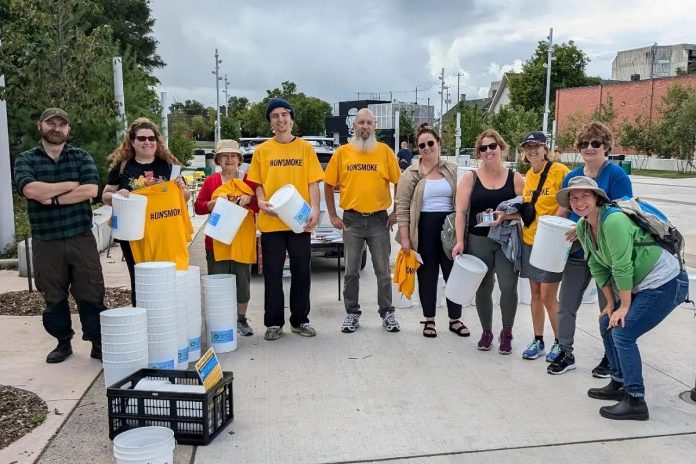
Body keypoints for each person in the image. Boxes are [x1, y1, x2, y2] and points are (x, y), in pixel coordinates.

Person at [556, 177, 687, 420]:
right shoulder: (584, 227)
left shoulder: (613, 221)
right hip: (643, 285)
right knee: (607, 323)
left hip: (666, 282)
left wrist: (624, 306)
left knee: (623, 332)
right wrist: (610, 304)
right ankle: (618, 382)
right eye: (573, 198)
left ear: (597, 198)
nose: (579, 202)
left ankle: (636, 400)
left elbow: (622, 266)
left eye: (585, 196)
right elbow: (597, 266)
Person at [14, 108, 107, 363]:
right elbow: (30, 189)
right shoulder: (26, 159)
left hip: (80, 236)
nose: (56, 128)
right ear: (40, 126)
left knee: (90, 290)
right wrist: (69, 185)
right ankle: (62, 342)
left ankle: (97, 342)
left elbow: (90, 189)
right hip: (46, 239)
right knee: (53, 295)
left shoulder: (81, 157)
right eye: (50, 123)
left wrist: (52, 198)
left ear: (68, 129)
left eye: (61, 124)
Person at [548, 122, 633, 376]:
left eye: (595, 143)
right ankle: (565, 351)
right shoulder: (572, 176)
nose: (590, 148)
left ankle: (611, 355)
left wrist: (584, 225)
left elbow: (624, 210)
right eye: (584, 144)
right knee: (566, 303)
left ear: (606, 146)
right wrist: (549, 230)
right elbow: (563, 210)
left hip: (606, 253)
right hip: (577, 251)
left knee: (609, 305)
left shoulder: (616, 175)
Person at [247, 98, 324, 341]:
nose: (280, 119)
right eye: (275, 116)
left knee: (302, 272)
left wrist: (314, 209)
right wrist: (260, 202)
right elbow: (257, 183)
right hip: (272, 222)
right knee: (272, 273)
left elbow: (313, 182)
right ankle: (273, 323)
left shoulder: (305, 149)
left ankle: (300, 320)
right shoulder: (262, 151)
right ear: (270, 122)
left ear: (291, 118)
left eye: (284, 115)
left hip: (299, 221)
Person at [325, 108, 401, 334]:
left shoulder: (385, 152)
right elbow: (328, 184)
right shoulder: (342, 153)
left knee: (382, 271)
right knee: (351, 271)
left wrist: (396, 211)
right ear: (354, 126)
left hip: (379, 220)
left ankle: (387, 312)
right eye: (361, 123)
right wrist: (332, 215)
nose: (365, 127)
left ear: (374, 125)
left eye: (368, 123)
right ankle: (352, 313)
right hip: (352, 220)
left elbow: (400, 182)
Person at [102, 117, 191, 306]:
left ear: (157, 141)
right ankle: (143, 320)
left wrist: (182, 188)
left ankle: (167, 316)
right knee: (141, 280)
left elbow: (184, 198)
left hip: (165, 233)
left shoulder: (168, 166)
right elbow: (105, 196)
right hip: (135, 235)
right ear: (132, 142)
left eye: (151, 138)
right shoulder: (123, 167)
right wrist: (119, 194)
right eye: (141, 138)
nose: (147, 142)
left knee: (169, 276)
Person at [452, 129, 524, 354]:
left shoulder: (515, 178)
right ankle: (486, 332)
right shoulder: (470, 178)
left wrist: (506, 216)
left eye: (493, 146)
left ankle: (506, 332)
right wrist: (460, 241)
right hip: (478, 240)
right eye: (483, 148)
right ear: (479, 152)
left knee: (508, 286)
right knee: (483, 287)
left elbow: (526, 211)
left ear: (501, 148)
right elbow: (461, 212)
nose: (488, 151)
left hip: (505, 240)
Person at [395, 123, 469, 338]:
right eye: (422, 145)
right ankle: (429, 320)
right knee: (426, 275)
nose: (426, 148)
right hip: (423, 228)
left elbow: (464, 199)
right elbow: (402, 208)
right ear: (417, 148)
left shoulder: (453, 169)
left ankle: (455, 319)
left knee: (452, 273)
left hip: (449, 227)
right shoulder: (411, 174)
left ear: (439, 144)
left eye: (430, 143)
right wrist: (406, 239)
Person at [194, 139, 258, 336]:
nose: (229, 159)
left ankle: (240, 319)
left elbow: (260, 206)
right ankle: (219, 320)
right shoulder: (211, 181)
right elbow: (198, 207)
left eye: (233, 156)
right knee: (218, 282)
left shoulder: (250, 180)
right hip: (217, 241)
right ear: (218, 160)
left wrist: (251, 199)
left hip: (242, 240)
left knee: (242, 282)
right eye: (225, 156)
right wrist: (210, 205)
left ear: (239, 159)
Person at [518, 132, 569, 362]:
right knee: (535, 293)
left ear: (545, 149)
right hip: (530, 240)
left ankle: (562, 344)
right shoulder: (528, 175)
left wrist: (555, 228)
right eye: (528, 147)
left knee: (549, 295)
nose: (532, 150)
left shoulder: (560, 171)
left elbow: (568, 202)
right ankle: (538, 339)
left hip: (550, 243)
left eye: (536, 146)